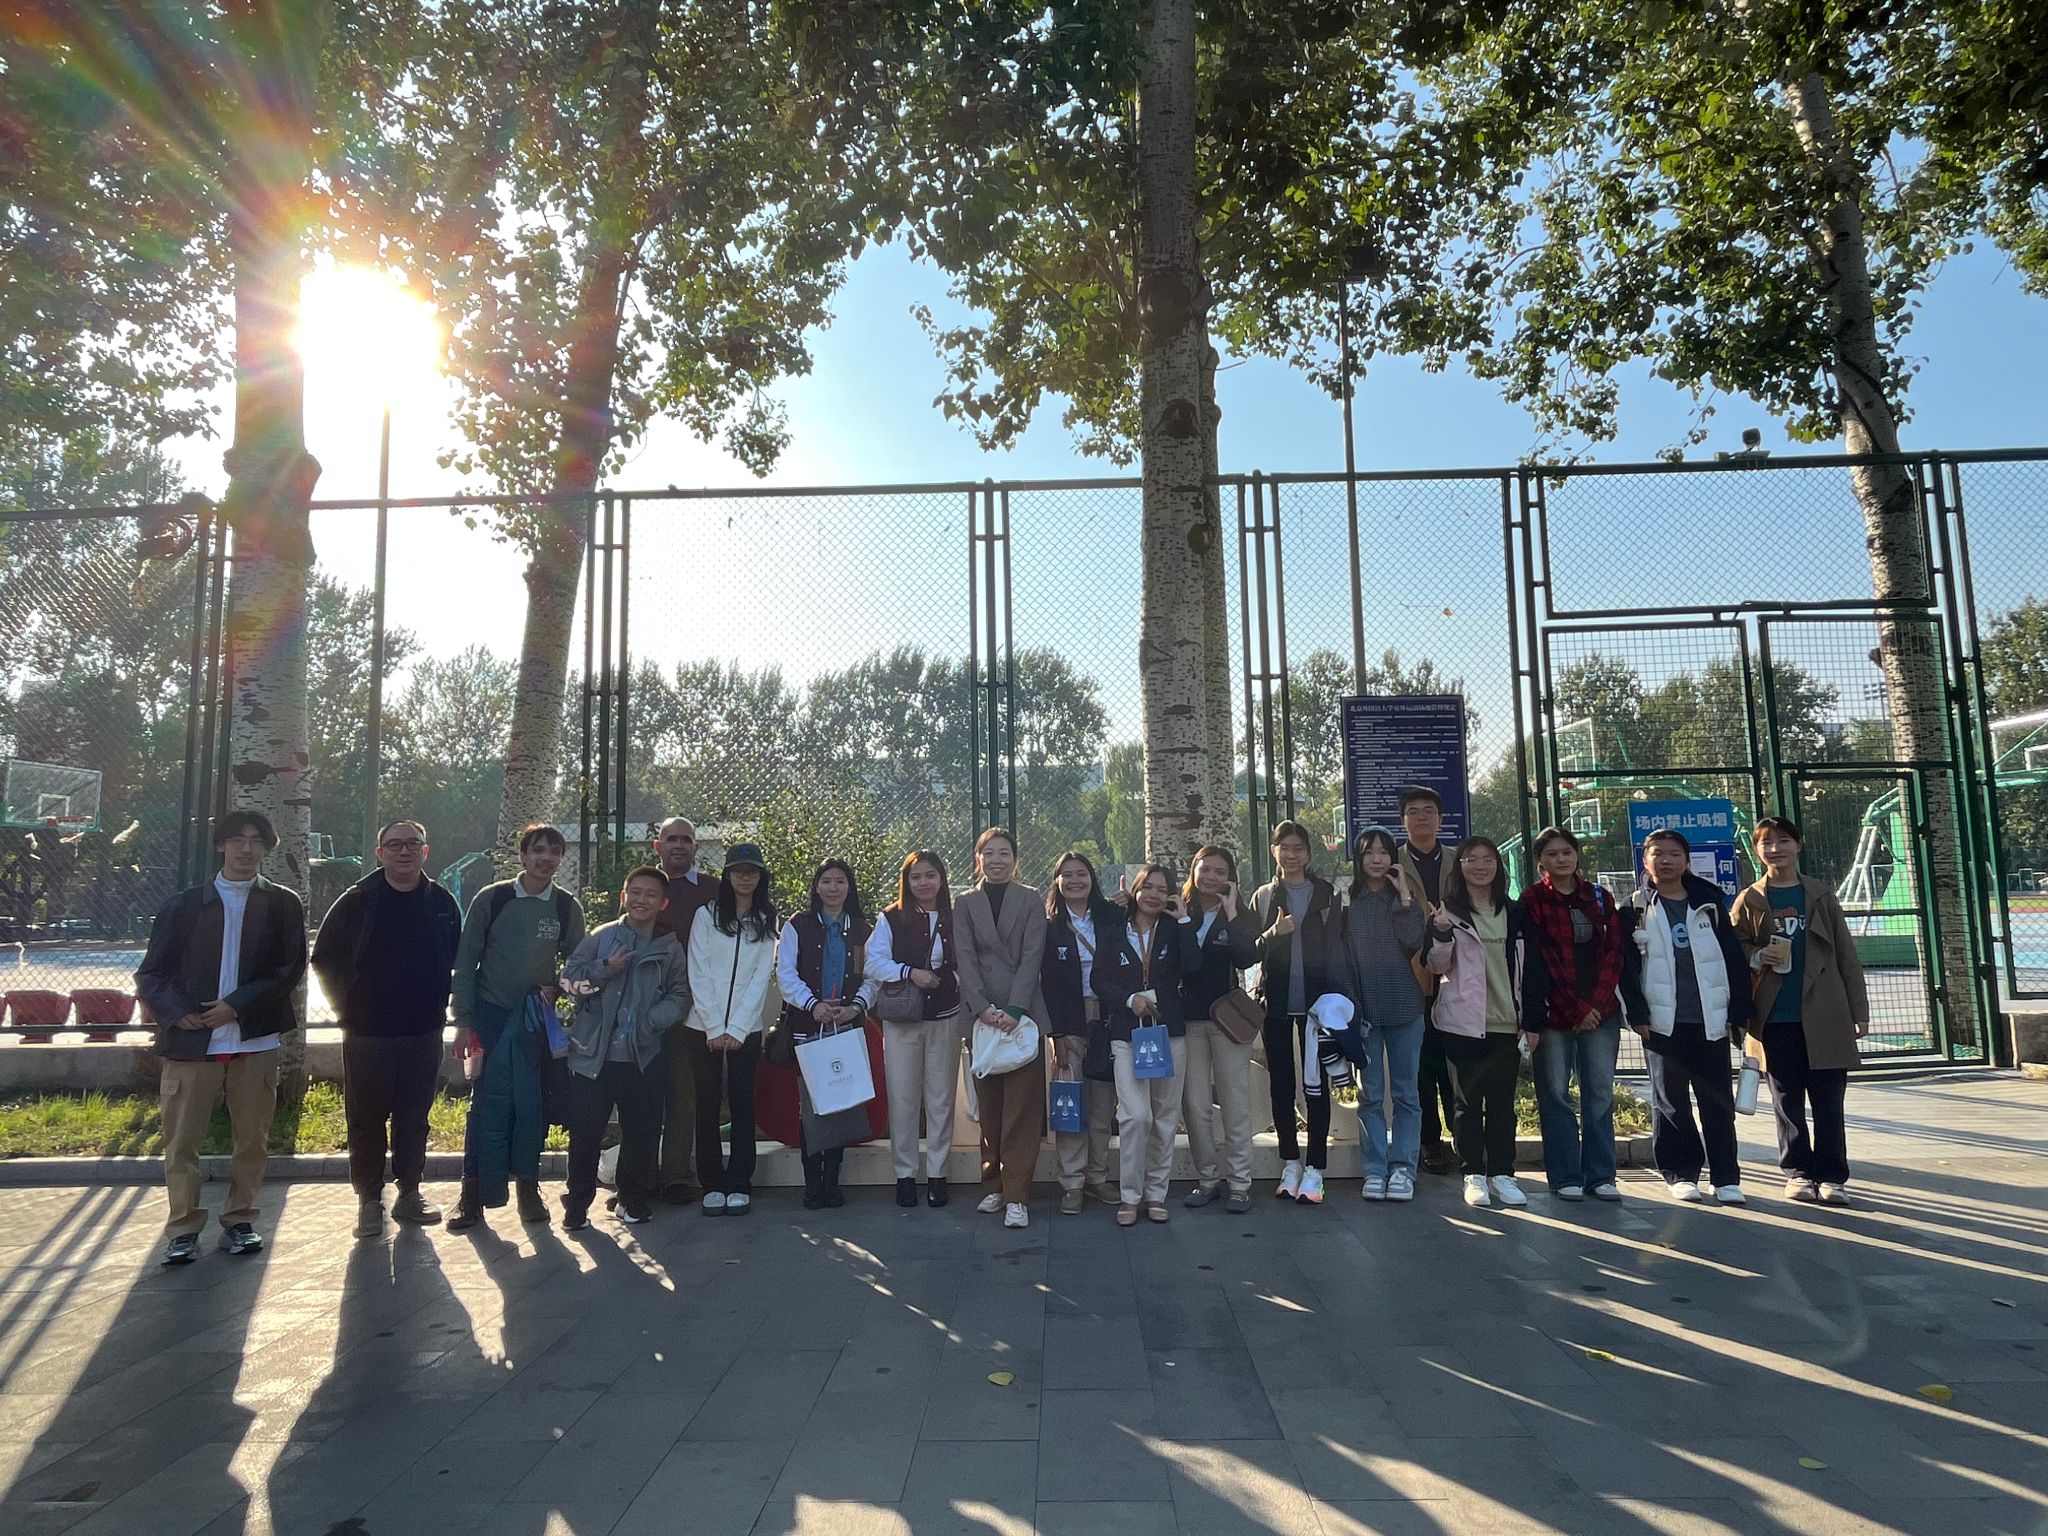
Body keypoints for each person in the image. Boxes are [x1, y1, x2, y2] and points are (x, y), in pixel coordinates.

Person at [136, 809, 308, 1265]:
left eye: (256, 841)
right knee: (182, 1142)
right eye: (237, 840)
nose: (246, 849)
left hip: (255, 1042)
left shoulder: (283, 904)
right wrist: (178, 1014)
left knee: (251, 1140)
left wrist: (236, 1005)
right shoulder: (183, 906)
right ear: (220, 845)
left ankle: (240, 1221)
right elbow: (153, 974)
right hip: (191, 1046)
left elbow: (288, 969)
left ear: (266, 848)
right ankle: (183, 1229)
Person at [310, 818, 464, 1239]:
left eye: (413, 843)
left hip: (423, 1031)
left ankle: (410, 1193)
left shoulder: (442, 903)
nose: (404, 851)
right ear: (380, 854)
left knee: (414, 1117)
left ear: (425, 851)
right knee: (366, 1118)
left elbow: (457, 956)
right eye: (394, 845)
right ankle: (369, 1200)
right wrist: (347, 1010)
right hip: (368, 1033)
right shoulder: (357, 901)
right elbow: (325, 959)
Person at [448, 824, 587, 1232]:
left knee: (533, 1106)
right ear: (522, 856)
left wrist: (557, 988)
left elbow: (577, 965)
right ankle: (472, 1193)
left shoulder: (566, 907)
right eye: (538, 850)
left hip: (534, 1022)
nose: (546, 858)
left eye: (554, 852)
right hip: (490, 1018)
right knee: (486, 1107)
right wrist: (463, 1022)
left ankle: (528, 1187)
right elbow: (465, 963)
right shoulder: (493, 899)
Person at [1731, 816, 1870, 1206]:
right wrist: (1756, 955)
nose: (1775, 849)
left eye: (1783, 841)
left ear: (1799, 845)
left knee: (1829, 1101)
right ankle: (1797, 1172)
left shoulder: (1821, 895)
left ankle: (1833, 1176)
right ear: (1756, 850)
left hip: (1826, 1012)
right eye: (1766, 843)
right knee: (1786, 1099)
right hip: (1775, 1015)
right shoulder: (1750, 899)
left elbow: (1846, 954)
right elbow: (1733, 946)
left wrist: (1858, 1010)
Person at [1621, 828, 1753, 1205]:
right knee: (1670, 1101)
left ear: (1686, 860)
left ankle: (1726, 1177)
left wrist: (1739, 1009)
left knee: (1717, 1102)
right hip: (1662, 1022)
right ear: (1645, 861)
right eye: (1657, 854)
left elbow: (1733, 959)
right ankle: (1681, 1173)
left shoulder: (1709, 903)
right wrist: (1638, 1013)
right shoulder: (1634, 908)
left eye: (1674, 854)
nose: (1666, 860)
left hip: (1710, 1019)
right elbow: (1626, 967)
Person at [557, 866, 690, 1229]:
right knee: (585, 1134)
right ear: (623, 897)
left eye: (650, 894)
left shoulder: (668, 948)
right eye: (635, 892)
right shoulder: (601, 939)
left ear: (662, 903)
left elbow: (680, 995)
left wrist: (651, 1021)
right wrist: (604, 969)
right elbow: (568, 981)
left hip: (642, 1056)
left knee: (641, 1134)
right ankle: (577, 1206)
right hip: (593, 1057)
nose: (641, 900)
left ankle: (632, 1200)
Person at [1427, 835, 1545, 1209]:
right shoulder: (1449, 911)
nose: (1480, 866)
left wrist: (1533, 1021)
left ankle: (1503, 1174)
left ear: (1498, 866)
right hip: (1462, 1022)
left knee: (1502, 1105)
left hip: (1507, 1022)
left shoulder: (1516, 912)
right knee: (1465, 1104)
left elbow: (1534, 969)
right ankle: (1474, 1174)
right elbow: (1436, 966)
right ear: (1459, 866)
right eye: (1471, 859)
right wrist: (1441, 934)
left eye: (1488, 859)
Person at [1518, 827, 1627, 1203]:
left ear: (1577, 855)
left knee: (1599, 1094)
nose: (1561, 859)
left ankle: (1601, 1175)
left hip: (1601, 1012)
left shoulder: (1598, 896)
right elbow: (1542, 959)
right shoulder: (1532, 900)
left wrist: (1595, 1005)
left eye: (1566, 852)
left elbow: (1614, 952)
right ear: (1540, 862)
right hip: (1554, 1015)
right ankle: (1565, 1175)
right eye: (1552, 854)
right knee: (1555, 1095)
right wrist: (1576, 1008)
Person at [1325, 828, 1428, 1203]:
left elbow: (1414, 941)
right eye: (1369, 852)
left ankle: (1403, 1169)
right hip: (1363, 1011)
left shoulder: (1403, 900)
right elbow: (1337, 957)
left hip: (1405, 1008)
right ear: (1359, 858)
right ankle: (1374, 1169)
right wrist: (1351, 1007)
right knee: (1370, 1095)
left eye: (1384, 852)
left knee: (1406, 1094)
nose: (1377, 859)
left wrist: (1404, 895)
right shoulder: (1346, 899)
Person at [952, 827, 1048, 1229]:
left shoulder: (1031, 899)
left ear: (1015, 860)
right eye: (988, 853)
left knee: (1022, 1109)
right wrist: (982, 1008)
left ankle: (1017, 1195)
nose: (996, 860)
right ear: (978, 859)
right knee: (988, 1105)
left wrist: (1014, 1008)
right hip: (982, 1016)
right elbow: (965, 957)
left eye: (1004, 853)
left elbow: (1032, 956)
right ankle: (993, 1184)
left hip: (1022, 1015)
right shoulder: (965, 903)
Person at [779, 858, 881, 1210]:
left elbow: (873, 978)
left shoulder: (864, 930)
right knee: (812, 1107)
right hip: (809, 1027)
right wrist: (812, 1005)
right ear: (816, 887)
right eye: (826, 881)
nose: (833, 888)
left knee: (841, 1102)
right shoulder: (797, 925)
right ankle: (813, 1184)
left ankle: (831, 1183)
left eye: (840, 881)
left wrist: (856, 1007)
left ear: (849, 887)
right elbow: (786, 974)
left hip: (846, 1026)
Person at [1249, 820, 1342, 1203]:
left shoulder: (1327, 894)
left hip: (1318, 1005)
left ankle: (1315, 1167)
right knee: (1281, 1084)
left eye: (1298, 848)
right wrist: (1275, 934)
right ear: (1274, 851)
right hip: (1276, 1004)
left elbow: (1337, 947)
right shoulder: (1264, 896)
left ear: (1308, 853)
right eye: (1283, 847)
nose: (1291, 854)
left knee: (1315, 1085)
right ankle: (1290, 1161)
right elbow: (1251, 950)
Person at [684, 844, 778, 1215]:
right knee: (706, 1105)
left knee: (742, 1104)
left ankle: (740, 1182)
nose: (745, 877)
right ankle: (712, 1182)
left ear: (760, 877)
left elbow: (760, 978)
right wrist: (713, 1026)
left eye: (752, 871)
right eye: (738, 870)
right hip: (701, 1027)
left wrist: (737, 1028)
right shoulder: (706, 915)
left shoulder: (765, 919)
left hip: (746, 1030)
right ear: (727, 875)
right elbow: (698, 970)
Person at [867, 849, 962, 1208]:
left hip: (945, 1015)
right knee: (903, 1097)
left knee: (941, 1098)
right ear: (906, 881)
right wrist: (909, 973)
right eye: (916, 876)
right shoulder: (891, 917)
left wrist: (952, 980)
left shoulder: (955, 916)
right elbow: (874, 963)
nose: (923, 883)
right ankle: (905, 1175)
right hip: (903, 1019)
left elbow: (969, 960)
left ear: (941, 879)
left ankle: (938, 1174)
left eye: (930, 875)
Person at [1041, 850, 1133, 1216]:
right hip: (1069, 1022)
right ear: (1057, 881)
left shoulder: (1111, 916)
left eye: (1081, 873)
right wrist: (1056, 1034)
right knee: (1070, 1103)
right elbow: (1045, 982)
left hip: (1108, 1018)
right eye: (1066, 874)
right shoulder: (1049, 925)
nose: (1074, 880)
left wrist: (1130, 902)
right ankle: (1072, 1182)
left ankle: (1097, 1176)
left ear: (1092, 878)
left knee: (1102, 1105)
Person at [1114, 863, 1200, 1224]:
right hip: (1127, 1032)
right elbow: (1101, 977)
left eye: (1161, 889)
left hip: (1167, 1031)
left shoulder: (1174, 929)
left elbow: (1193, 968)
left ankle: (1155, 1195)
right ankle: (1129, 1196)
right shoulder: (1115, 926)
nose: (1153, 894)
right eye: (1147, 887)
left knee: (1165, 1117)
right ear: (1135, 890)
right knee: (1136, 1115)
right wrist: (1128, 999)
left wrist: (1184, 920)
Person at [1178, 846, 1260, 1213]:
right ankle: (1208, 1179)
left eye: (1220, 871)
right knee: (1196, 1106)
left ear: (1230, 878)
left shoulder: (1240, 913)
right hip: (1187, 1020)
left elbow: (1246, 958)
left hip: (1227, 1020)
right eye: (1205, 869)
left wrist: (1232, 913)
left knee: (1234, 1103)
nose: (1211, 877)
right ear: (1193, 871)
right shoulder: (1179, 910)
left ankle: (1240, 1183)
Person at [652, 816, 720, 1204]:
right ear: (657, 846)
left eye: (686, 839)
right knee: (642, 1093)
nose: (678, 845)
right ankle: (638, 1176)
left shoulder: (713, 890)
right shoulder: (643, 885)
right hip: (645, 1005)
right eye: (671, 839)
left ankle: (677, 1176)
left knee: (683, 1092)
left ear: (696, 847)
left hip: (695, 1008)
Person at [1397, 787, 1459, 1176]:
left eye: (1429, 810)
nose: (1421, 817)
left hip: (1456, 972)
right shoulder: (1393, 863)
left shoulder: (1459, 860)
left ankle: (1462, 1135)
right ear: (1403, 820)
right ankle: (1429, 1141)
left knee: (1453, 1059)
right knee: (1419, 1063)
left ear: (1441, 818)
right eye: (1413, 811)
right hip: (1409, 974)